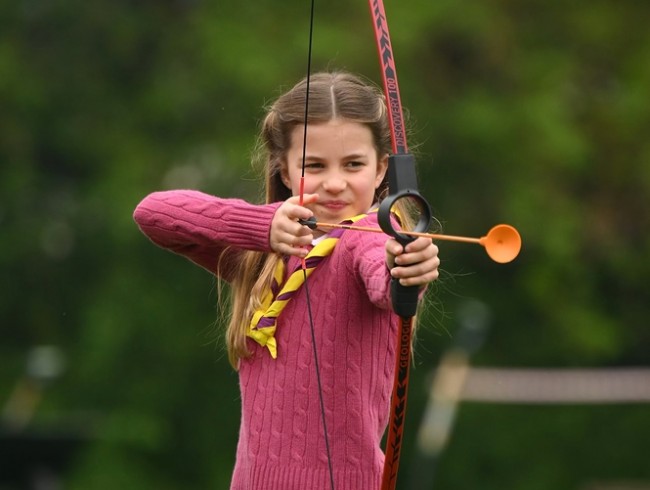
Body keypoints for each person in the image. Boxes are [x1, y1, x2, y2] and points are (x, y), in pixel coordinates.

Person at [133, 71, 440, 490]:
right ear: (283, 168)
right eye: (314, 166)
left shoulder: (366, 243)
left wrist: (407, 266)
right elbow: (154, 214)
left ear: (383, 168)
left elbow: (386, 275)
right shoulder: (261, 251)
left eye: (354, 164)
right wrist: (262, 227)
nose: (335, 183)